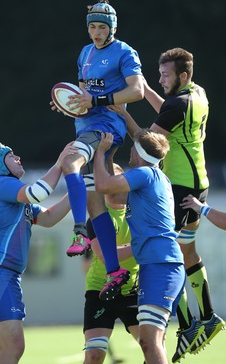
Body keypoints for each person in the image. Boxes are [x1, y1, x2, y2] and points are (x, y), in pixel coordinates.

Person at [108, 47, 225, 362]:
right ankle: (208, 315)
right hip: (200, 184)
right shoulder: (196, 94)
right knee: (187, 250)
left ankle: (188, 324)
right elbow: (169, 110)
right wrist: (143, 89)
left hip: (180, 185)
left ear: (182, 76)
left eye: (165, 75)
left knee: (168, 250)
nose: (160, 80)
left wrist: (125, 114)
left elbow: (148, 144)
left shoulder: (177, 105)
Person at [51, 0, 144, 300]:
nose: (97, 32)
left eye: (102, 27)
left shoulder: (124, 52)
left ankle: (79, 231)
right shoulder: (85, 53)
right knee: (94, 202)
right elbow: (83, 93)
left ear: (112, 28)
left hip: (107, 127)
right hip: (86, 124)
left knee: (70, 163)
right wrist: (70, 105)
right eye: (93, 27)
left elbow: (137, 91)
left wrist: (97, 100)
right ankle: (115, 270)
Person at [0, 140, 78, 364]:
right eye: (11, 156)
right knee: (14, 347)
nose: (18, 158)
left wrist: (79, 187)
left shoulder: (15, 197)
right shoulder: (2, 183)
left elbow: (48, 218)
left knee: (6, 351)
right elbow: (38, 193)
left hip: (0, 275)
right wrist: (59, 164)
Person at [93, 129, 186, 364]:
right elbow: (114, 192)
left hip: (161, 264)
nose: (130, 150)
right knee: (153, 343)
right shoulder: (153, 175)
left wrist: (99, 152)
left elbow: (104, 185)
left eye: (134, 147)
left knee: (149, 342)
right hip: (157, 264)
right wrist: (109, 156)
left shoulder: (144, 173)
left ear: (141, 153)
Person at [83, 162, 139, 364]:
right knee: (95, 355)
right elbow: (108, 257)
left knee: (153, 347)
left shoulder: (139, 213)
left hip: (134, 290)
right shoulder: (98, 218)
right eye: (107, 178)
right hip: (100, 290)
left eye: (116, 178)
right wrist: (140, 246)